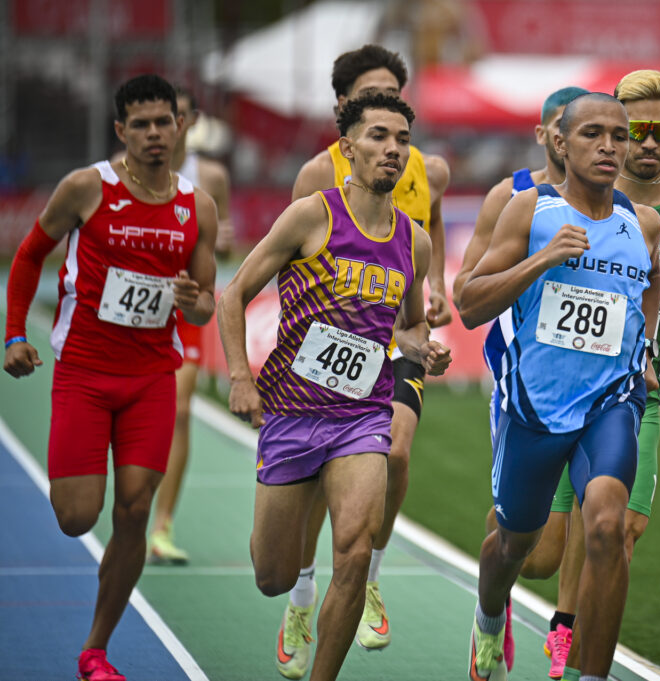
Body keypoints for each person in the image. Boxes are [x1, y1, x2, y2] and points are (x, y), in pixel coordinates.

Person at [216, 92, 451, 681]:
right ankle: (287, 580)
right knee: (273, 575)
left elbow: (411, 322)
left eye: (401, 139)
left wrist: (423, 347)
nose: (392, 150)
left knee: (352, 551)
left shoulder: (413, 242)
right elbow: (233, 295)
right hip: (292, 414)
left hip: (363, 417)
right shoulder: (310, 216)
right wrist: (241, 378)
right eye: (377, 136)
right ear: (348, 148)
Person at [3, 74, 218, 681]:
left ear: (180, 126)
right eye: (142, 124)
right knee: (76, 515)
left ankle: (95, 651)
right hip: (85, 373)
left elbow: (204, 306)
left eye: (165, 121)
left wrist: (189, 298)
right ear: (121, 130)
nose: (156, 133)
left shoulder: (197, 205)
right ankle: (95, 642)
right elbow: (28, 256)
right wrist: (15, 334)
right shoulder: (86, 188)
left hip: (151, 376)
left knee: (133, 510)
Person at [459, 92, 660, 681]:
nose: (609, 146)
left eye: (618, 137)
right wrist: (542, 260)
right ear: (559, 142)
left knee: (607, 524)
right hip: (536, 409)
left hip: (611, 401)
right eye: (593, 134)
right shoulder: (530, 210)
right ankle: (489, 619)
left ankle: (590, 674)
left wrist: (645, 349)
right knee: (516, 549)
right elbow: (471, 303)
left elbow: (646, 289)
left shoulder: (640, 222)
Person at [276, 44, 452, 676]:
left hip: (395, 338)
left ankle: (366, 575)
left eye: (394, 103)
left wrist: (434, 300)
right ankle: (298, 594)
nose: (390, 139)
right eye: (369, 109)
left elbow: (428, 233)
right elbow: (289, 266)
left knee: (396, 454)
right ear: (344, 116)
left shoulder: (428, 166)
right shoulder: (313, 176)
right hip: (328, 351)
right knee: (318, 483)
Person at [551, 69, 660, 681]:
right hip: (559, 389)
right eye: (638, 130)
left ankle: (581, 660)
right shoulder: (572, 197)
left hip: (636, 392)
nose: (648, 144)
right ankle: (519, 614)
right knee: (542, 550)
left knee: (620, 529)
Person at [452, 84, 589, 676]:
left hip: (599, 383)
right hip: (525, 377)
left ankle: (570, 631)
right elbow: (467, 290)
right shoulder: (512, 195)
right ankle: (496, 596)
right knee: (532, 553)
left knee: (603, 511)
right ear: (544, 135)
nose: (579, 138)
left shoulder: (616, 202)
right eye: (564, 125)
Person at [146, 85, 234, 565]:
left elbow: (223, 244)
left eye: (176, 116)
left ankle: (163, 524)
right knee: (141, 406)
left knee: (179, 411)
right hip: (138, 309)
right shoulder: (123, 168)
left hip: (190, 306)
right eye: (156, 118)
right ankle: (132, 503)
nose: (166, 127)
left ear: (192, 119)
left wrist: (222, 244)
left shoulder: (211, 177)